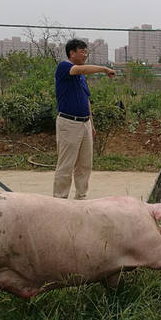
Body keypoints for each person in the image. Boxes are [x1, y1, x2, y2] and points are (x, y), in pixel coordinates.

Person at [53, 38, 117, 199]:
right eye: (82, 51)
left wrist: (91, 124)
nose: (85, 55)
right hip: (69, 123)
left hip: (84, 124)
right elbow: (80, 70)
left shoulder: (81, 77)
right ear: (72, 53)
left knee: (85, 165)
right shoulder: (64, 67)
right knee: (66, 164)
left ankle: (81, 197)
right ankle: (59, 199)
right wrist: (103, 69)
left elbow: (85, 99)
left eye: (86, 51)